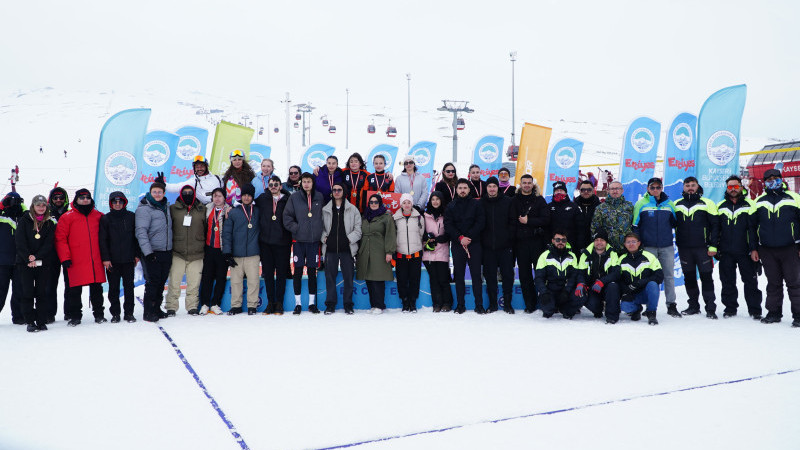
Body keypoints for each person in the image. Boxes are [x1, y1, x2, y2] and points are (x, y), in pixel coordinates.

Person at [750, 169, 800, 327]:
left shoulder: (795, 198)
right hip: (767, 249)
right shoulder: (759, 201)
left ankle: (798, 315)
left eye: (776, 178)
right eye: (769, 179)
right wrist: (754, 248)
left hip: (790, 248)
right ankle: (773, 313)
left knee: (794, 283)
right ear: (764, 182)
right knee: (773, 283)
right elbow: (752, 228)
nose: (773, 181)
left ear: (781, 179)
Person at [55, 188, 107, 326]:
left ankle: (99, 314)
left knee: (97, 289)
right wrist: (65, 257)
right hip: (75, 260)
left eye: (87, 197)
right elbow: (60, 239)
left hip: (95, 259)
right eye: (82, 198)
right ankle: (75, 316)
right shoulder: (67, 217)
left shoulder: (99, 216)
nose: (85, 200)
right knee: (74, 290)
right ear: (76, 200)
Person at [632, 177, 680, 318]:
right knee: (648, 277)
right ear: (648, 189)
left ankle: (671, 305)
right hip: (648, 247)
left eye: (658, 187)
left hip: (666, 246)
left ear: (661, 188)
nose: (655, 190)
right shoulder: (641, 204)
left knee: (668, 276)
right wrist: (638, 246)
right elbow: (635, 226)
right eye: (652, 187)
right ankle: (649, 306)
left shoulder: (669, 203)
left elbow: (675, 223)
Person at [716, 175, 762, 319]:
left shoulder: (750, 204)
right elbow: (716, 230)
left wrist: (754, 249)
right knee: (727, 281)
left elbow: (754, 230)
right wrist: (716, 247)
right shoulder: (720, 206)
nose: (733, 189)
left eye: (736, 186)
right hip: (726, 252)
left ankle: (755, 310)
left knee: (750, 282)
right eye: (730, 187)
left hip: (745, 251)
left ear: (741, 187)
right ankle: (730, 308)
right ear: (727, 188)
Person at [674, 177, 719, 318]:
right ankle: (693, 306)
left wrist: (713, 246)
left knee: (706, 277)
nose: (690, 187)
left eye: (693, 185)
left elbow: (716, 226)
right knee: (689, 278)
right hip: (684, 248)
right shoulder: (676, 204)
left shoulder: (707, 203)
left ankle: (710, 308)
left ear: (698, 186)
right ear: (683, 187)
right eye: (687, 185)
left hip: (703, 249)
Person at [15, 195, 58, 332]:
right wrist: (29, 258)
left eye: (43, 205)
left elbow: (48, 244)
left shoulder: (49, 223)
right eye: (38, 205)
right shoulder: (24, 220)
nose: (41, 208)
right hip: (25, 263)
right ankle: (29, 321)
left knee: (41, 292)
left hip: (43, 262)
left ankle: (41, 320)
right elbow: (20, 242)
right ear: (33, 206)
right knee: (27, 292)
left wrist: (37, 257)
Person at [284, 172, 325, 314]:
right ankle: (298, 303)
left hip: (314, 241)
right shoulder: (294, 197)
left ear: (313, 183)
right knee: (298, 271)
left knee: (313, 272)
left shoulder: (319, 196)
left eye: (309, 181)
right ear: (301, 183)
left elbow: (324, 216)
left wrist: (321, 232)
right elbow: (287, 216)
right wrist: (296, 228)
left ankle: (312, 304)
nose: (306, 184)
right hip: (298, 241)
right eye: (304, 181)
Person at [445, 178, 485, 314]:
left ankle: (479, 305)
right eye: (460, 188)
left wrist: (469, 237)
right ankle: (460, 305)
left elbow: (480, 222)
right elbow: (448, 225)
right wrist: (460, 238)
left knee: (476, 276)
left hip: (474, 244)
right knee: (459, 275)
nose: (462, 190)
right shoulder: (451, 206)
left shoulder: (477, 204)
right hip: (457, 245)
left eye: (465, 188)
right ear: (456, 190)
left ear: (469, 189)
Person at [510, 174, 550, 313]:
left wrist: (529, 222)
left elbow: (546, 219)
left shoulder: (540, 200)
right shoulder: (514, 201)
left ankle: (545, 301)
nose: (527, 185)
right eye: (524, 182)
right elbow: (511, 221)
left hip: (537, 243)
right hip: (520, 244)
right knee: (524, 275)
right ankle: (530, 304)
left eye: (529, 183)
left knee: (540, 274)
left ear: (533, 185)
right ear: (520, 184)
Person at [165, 185, 207, 316]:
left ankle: (192, 306)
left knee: (194, 283)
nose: (188, 194)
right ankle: (171, 307)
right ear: (181, 194)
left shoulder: (202, 209)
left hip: (197, 252)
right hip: (178, 252)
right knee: (174, 283)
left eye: (190, 192)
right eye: (185, 193)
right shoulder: (172, 209)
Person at [321, 182, 362, 314]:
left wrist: (348, 239)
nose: (337, 192)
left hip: (347, 248)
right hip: (330, 249)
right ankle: (330, 304)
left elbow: (358, 230)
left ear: (344, 192)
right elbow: (320, 228)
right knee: (330, 277)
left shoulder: (353, 209)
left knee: (348, 277)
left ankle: (348, 304)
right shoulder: (325, 209)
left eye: (339, 190)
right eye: (334, 190)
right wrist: (325, 238)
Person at [98, 192, 139, 323]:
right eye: (114, 202)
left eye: (120, 202)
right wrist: (105, 259)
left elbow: (137, 237)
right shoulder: (105, 219)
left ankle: (129, 313)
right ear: (110, 203)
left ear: (124, 203)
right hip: (112, 261)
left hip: (128, 260)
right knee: (113, 289)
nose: (117, 204)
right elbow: (102, 240)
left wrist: (137, 255)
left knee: (129, 288)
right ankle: (115, 314)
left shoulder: (132, 217)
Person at [135, 182, 173, 322]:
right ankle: (149, 312)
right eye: (154, 192)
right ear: (150, 193)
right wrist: (148, 252)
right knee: (152, 282)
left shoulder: (166, 206)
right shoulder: (144, 208)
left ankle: (156, 308)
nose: (157, 194)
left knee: (161, 281)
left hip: (166, 250)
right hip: (152, 252)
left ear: (164, 193)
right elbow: (141, 232)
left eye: (160, 192)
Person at [255, 177, 292, 315]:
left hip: (283, 243)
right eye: (271, 185)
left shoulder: (288, 199)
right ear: (268, 186)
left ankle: (280, 303)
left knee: (281, 274)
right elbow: (247, 204)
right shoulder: (262, 198)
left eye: (276, 184)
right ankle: (270, 303)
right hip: (266, 243)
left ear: (280, 186)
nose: (273, 186)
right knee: (268, 274)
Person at [222, 183, 261, 315]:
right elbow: (226, 233)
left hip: (253, 253)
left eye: (249, 195)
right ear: (241, 196)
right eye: (244, 195)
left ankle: (252, 306)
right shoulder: (233, 212)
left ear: (252, 197)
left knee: (253, 281)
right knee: (236, 281)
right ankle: (236, 306)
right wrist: (227, 252)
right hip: (236, 254)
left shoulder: (257, 211)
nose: (246, 197)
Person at [480, 176, 516, 313]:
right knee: (490, 277)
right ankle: (493, 304)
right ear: (486, 188)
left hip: (505, 247)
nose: (492, 189)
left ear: (498, 187)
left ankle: (508, 304)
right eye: (489, 186)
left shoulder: (507, 201)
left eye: (494, 186)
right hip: (488, 247)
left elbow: (513, 221)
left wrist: (509, 238)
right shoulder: (481, 203)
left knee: (508, 275)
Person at [357, 193, 396, 314]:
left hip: (379, 250)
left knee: (378, 278)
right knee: (368, 277)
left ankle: (380, 305)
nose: (373, 204)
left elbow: (390, 235)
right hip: (365, 250)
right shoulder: (364, 216)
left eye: (376, 202)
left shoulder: (386, 217)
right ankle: (373, 305)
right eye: (371, 202)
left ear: (380, 203)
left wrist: (389, 252)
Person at [575, 229, 621, 323]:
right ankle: (598, 309)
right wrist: (581, 283)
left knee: (613, 286)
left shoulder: (612, 253)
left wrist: (602, 281)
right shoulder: (586, 254)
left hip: (607, 285)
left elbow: (616, 273)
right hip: (593, 287)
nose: (599, 242)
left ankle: (612, 316)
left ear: (606, 242)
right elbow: (580, 273)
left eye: (602, 240)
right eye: (596, 240)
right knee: (589, 300)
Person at [617, 232, 663, 325]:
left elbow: (659, 276)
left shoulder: (649, 256)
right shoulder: (621, 259)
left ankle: (651, 313)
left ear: (639, 243)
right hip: (632, 293)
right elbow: (618, 278)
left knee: (653, 284)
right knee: (624, 306)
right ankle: (636, 310)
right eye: (628, 242)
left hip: (646, 292)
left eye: (633, 241)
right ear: (625, 244)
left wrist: (640, 282)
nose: (631, 244)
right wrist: (626, 291)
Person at [535, 230, 581, 319]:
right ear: (552, 241)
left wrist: (567, 291)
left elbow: (574, 276)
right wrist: (544, 292)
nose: (560, 242)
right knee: (547, 308)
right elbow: (539, 277)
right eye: (558, 240)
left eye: (563, 240)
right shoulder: (544, 256)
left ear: (566, 242)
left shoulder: (572, 256)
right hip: (550, 290)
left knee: (581, 296)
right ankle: (551, 307)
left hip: (565, 291)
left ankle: (565, 309)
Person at [199, 188, 229, 315]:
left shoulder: (229, 210)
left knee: (221, 277)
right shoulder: (207, 209)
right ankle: (205, 304)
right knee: (207, 277)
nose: (217, 198)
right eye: (215, 196)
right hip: (209, 248)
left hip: (222, 250)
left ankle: (216, 304)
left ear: (224, 198)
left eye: (220, 196)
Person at [393, 193, 425, 313]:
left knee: (414, 279)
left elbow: (421, 234)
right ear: (401, 204)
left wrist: (416, 244)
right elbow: (393, 235)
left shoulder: (419, 217)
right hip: (400, 253)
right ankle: (405, 301)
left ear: (412, 204)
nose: (407, 205)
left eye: (409, 202)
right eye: (404, 202)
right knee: (401, 279)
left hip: (415, 253)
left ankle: (412, 301)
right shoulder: (395, 218)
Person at [422, 192, 453, 312]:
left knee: (443, 278)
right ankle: (437, 304)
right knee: (433, 279)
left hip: (442, 250)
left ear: (441, 201)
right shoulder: (424, 215)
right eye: (433, 199)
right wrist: (426, 237)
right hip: (429, 251)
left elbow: (449, 231)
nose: (435, 202)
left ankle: (447, 303)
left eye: (437, 199)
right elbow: (420, 231)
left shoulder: (446, 214)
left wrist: (441, 238)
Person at [0, 192, 25, 324]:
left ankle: (19, 316)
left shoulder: (25, 216)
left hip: (19, 261)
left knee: (19, 291)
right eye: (10, 201)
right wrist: (2, 206)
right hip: (2, 261)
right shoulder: (1, 216)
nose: (13, 203)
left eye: (16, 201)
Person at [47, 186, 70, 321]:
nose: (58, 200)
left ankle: (70, 312)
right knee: (49, 284)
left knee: (71, 284)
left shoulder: (70, 213)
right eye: (55, 198)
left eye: (61, 197)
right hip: (51, 254)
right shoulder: (45, 215)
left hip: (68, 253)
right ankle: (49, 313)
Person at [591, 181, 633, 252]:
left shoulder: (629, 206)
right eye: (612, 189)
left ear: (622, 190)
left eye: (617, 188)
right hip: (607, 248)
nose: (615, 191)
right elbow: (595, 228)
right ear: (608, 190)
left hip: (626, 247)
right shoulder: (601, 208)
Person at [548, 181, 585, 250]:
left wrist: (580, 244)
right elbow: (546, 227)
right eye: (557, 190)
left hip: (570, 245)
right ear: (553, 192)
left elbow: (580, 227)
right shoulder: (549, 207)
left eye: (561, 190)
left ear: (565, 192)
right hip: (553, 245)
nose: (559, 192)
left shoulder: (574, 207)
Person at [574, 180, 600, 250]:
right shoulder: (574, 206)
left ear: (593, 190)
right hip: (577, 244)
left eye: (589, 189)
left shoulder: (600, 206)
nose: (586, 191)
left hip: (595, 244)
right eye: (583, 190)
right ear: (580, 191)